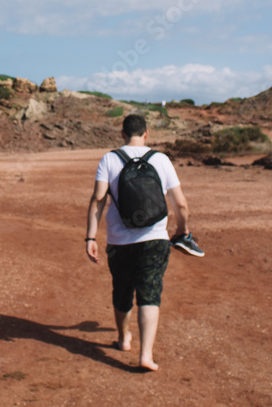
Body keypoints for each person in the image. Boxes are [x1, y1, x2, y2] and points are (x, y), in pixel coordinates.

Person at [85, 113, 200, 371]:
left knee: (122, 291)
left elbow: (97, 200)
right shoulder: (161, 159)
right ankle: (145, 355)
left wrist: (90, 236)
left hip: (119, 241)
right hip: (155, 239)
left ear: (122, 134)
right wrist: (183, 232)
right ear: (146, 133)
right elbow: (180, 203)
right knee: (150, 292)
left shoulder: (110, 159)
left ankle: (124, 338)